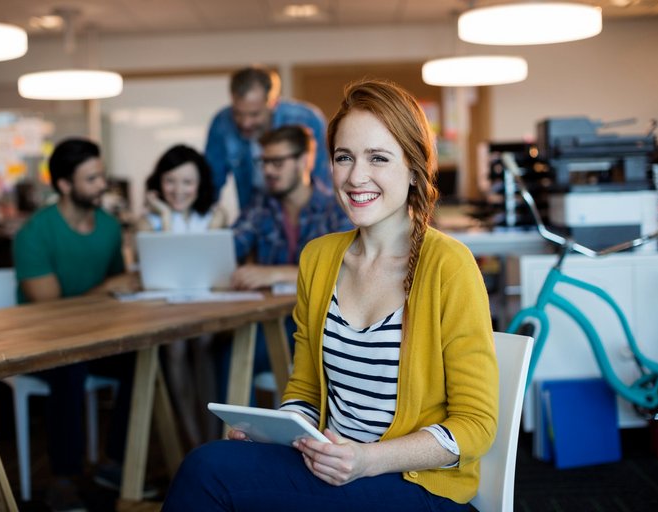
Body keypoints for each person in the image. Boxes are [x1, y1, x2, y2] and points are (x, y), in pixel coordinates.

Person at [162, 79, 499, 512]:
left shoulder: (448, 266)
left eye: (378, 158)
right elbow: (304, 388)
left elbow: (476, 426)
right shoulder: (319, 259)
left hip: (416, 487)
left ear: (414, 168)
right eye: (344, 158)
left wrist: (367, 460)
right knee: (212, 463)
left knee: (208, 472)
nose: (357, 177)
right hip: (333, 469)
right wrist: (280, 430)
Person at [13, 138, 144, 512]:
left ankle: (116, 464)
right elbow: (50, 309)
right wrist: (107, 288)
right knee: (70, 367)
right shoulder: (35, 233)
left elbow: (123, 291)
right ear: (65, 185)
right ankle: (62, 479)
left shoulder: (108, 227)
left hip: (96, 339)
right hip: (42, 341)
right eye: (92, 178)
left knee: (144, 360)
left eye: (101, 175)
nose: (103, 184)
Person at [226, 124, 352, 384]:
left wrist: (274, 273)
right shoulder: (261, 205)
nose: (268, 170)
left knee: (234, 356)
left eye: (277, 162)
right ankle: (239, 426)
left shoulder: (336, 209)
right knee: (224, 353)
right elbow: (230, 248)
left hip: (322, 326)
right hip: (267, 319)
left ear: (304, 160)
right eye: (264, 162)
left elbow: (346, 269)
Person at [136, 144, 225, 446]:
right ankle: (191, 440)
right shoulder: (149, 221)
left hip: (206, 309)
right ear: (158, 183)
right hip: (164, 311)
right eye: (170, 181)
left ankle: (212, 441)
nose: (178, 190)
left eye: (187, 182)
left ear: (200, 185)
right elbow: (162, 276)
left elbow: (216, 275)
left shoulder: (215, 216)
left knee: (202, 342)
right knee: (174, 348)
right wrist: (164, 213)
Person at [206, 65, 331, 212]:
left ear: (273, 103)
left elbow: (322, 181)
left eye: (254, 114)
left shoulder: (306, 119)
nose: (246, 123)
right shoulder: (222, 123)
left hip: (305, 214)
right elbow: (211, 184)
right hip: (254, 214)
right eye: (238, 113)